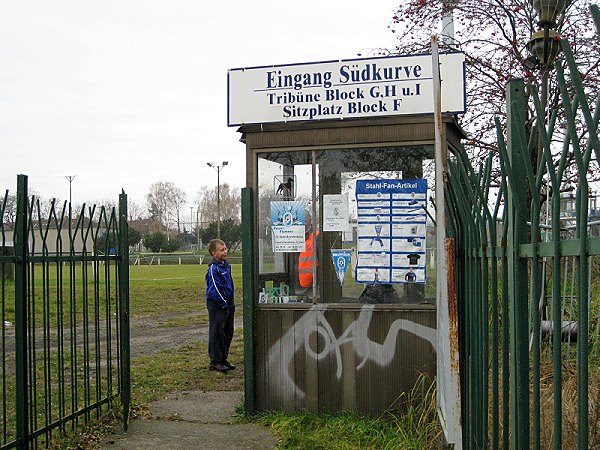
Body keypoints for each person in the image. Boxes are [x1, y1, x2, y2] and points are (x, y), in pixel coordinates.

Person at [205, 239, 235, 373]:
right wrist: (223, 303)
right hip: (217, 304)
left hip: (228, 304)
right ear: (213, 253)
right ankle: (215, 361)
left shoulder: (226, 266)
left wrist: (230, 302)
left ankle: (223, 358)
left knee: (228, 332)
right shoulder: (213, 268)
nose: (225, 251)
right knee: (217, 332)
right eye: (221, 250)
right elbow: (215, 289)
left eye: (225, 248)